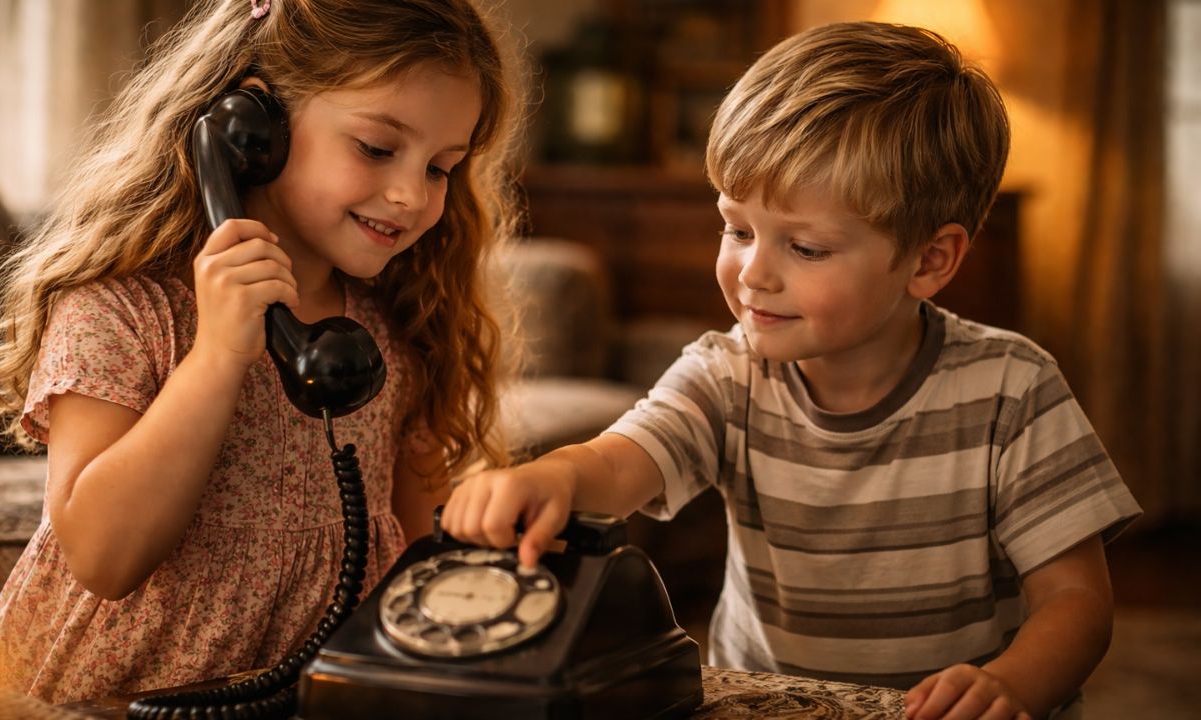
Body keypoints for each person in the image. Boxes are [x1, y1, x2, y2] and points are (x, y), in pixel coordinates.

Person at [441, 21, 1141, 720]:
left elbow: (1076, 603)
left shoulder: (1014, 389)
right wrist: (554, 478)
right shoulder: (725, 375)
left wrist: (1012, 685)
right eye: (738, 229)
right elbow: (618, 463)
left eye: (805, 248)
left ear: (930, 261)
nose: (753, 274)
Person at [0, 0, 523, 704]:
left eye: (441, 168)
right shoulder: (119, 312)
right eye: (377, 149)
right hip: (111, 704)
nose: (411, 195)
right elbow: (103, 559)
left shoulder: (394, 331)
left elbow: (421, 563)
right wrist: (218, 357)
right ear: (253, 128)